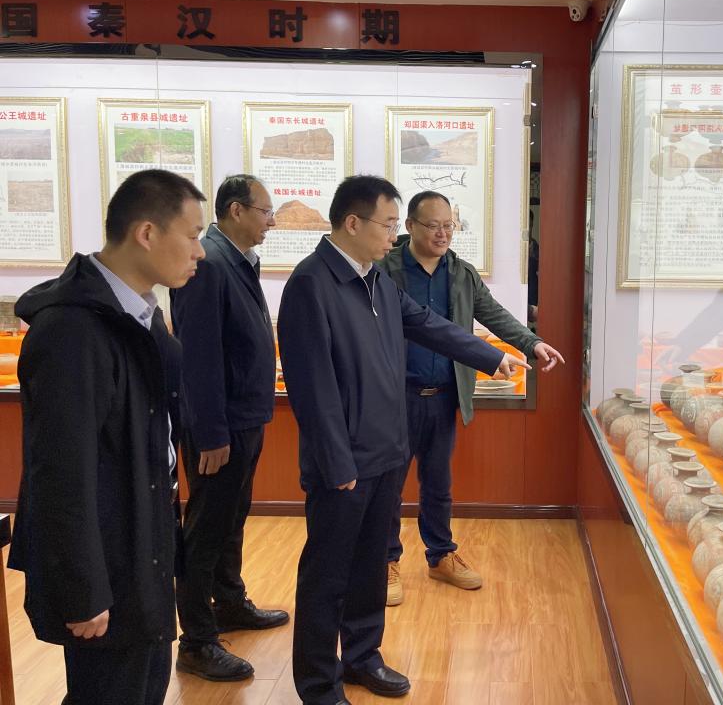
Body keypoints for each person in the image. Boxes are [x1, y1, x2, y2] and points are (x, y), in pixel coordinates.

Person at [278, 174, 528, 705]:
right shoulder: (311, 284)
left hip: (386, 450)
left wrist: (493, 357)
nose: (394, 235)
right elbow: (312, 388)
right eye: (389, 224)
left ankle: (363, 657)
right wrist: (335, 461)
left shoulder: (375, 279)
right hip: (344, 464)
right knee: (328, 575)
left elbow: (428, 324)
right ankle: (319, 684)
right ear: (353, 223)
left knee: (371, 566)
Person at [8, 169, 206, 705]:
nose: (200, 252)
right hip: (108, 563)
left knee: (144, 686)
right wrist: (82, 589)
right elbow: (59, 471)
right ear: (147, 233)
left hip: (142, 542)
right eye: (192, 236)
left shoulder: (138, 313)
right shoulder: (72, 330)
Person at [379, 191, 564, 604]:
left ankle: (441, 555)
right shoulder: (386, 269)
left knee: (438, 482)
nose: (443, 233)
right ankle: (385, 560)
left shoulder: (461, 273)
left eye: (449, 225)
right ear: (410, 226)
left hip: (444, 396)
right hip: (396, 396)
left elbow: (493, 314)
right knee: (389, 484)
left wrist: (531, 343)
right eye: (433, 225)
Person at [170, 174, 289, 682]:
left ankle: (230, 603)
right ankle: (197, 641)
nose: (272, 221)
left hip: (244, 417)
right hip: (220, 426)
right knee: (205, 529)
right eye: (265, 211)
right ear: (236, 211)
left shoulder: (238, 260)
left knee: (231, 518)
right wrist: (212, 433)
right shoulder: (211, 264)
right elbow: (197, 357)